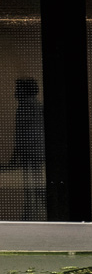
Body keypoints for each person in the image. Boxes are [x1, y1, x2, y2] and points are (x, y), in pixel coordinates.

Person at [9, 77, 44, 220]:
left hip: (30, 152)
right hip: (36, 151)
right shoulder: (37, 105)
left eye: (18, 89)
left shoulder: (26, 106)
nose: (15, 92)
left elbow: (26, 132)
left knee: (31, 186)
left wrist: (18, 153)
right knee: (37, 184)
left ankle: (31, 217)